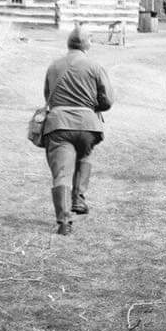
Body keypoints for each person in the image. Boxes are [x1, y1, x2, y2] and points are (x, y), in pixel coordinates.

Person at [41, 26, 113, 235]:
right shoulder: (95, 66)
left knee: (61, 173)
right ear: (87, 45)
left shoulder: (54, 66)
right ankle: (79, 199)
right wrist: (90, 107)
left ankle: (64, 223)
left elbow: (48, 97)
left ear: (69, 44)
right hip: (88, 125)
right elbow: (108, 100)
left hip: (58, 125)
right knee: (84, 154)